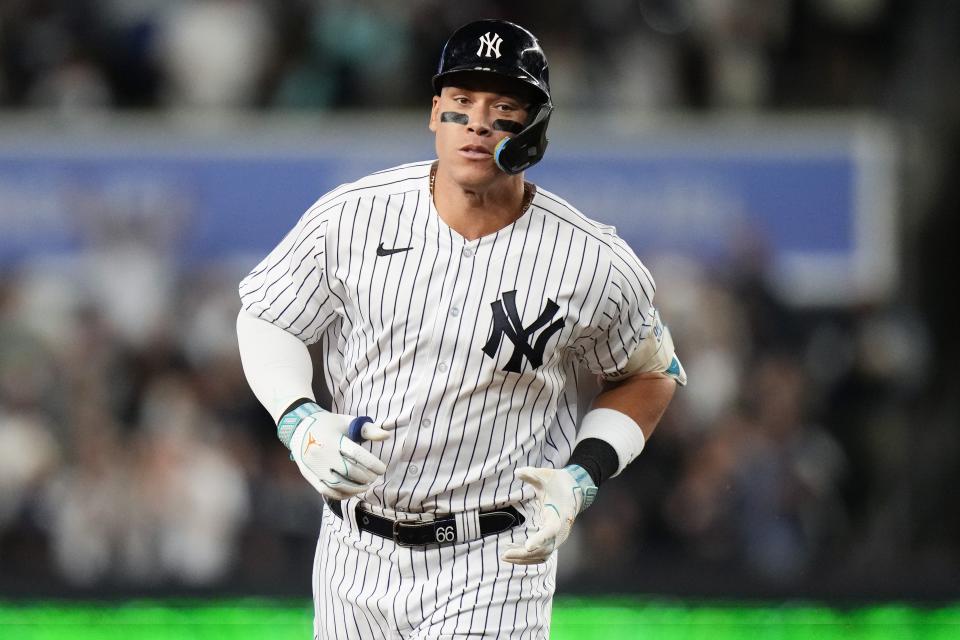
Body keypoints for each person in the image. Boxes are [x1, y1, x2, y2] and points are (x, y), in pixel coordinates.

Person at [236, 19, 686, 639]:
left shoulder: (592, 260)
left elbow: (651, 373)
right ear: (434, 114)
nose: (477, 122)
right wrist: (298, 419)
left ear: (535, 129)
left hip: (495, 559)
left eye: (503, 107)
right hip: (352, 548)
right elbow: (268, 316)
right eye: (461, 104)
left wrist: (582, 477)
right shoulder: (353, 215)